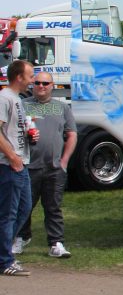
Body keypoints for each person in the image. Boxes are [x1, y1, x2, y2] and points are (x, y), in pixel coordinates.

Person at [12, 72, 77, 259]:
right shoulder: (23, 105)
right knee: (24, 206)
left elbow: (72, 134)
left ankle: (56, 243)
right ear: (32, 85)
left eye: (45, 83)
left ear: (52, 85)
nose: (41, 86)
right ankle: (21, 238)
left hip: (54, 168)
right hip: (28, 167)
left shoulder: (62, 107)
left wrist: (64, 161)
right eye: (38, 82)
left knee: (53, 207)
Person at [0, 60, 36, 276]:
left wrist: (30, 136)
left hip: (21, 162)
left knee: (24, 208)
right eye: (31, 76)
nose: (33, 80)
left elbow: (14, 131)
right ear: (19, 77)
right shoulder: (4, 98)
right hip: (9, 165)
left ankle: (3, 253)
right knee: (9, 213)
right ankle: (5, 260)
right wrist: (13, 157)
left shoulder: (16, 100)